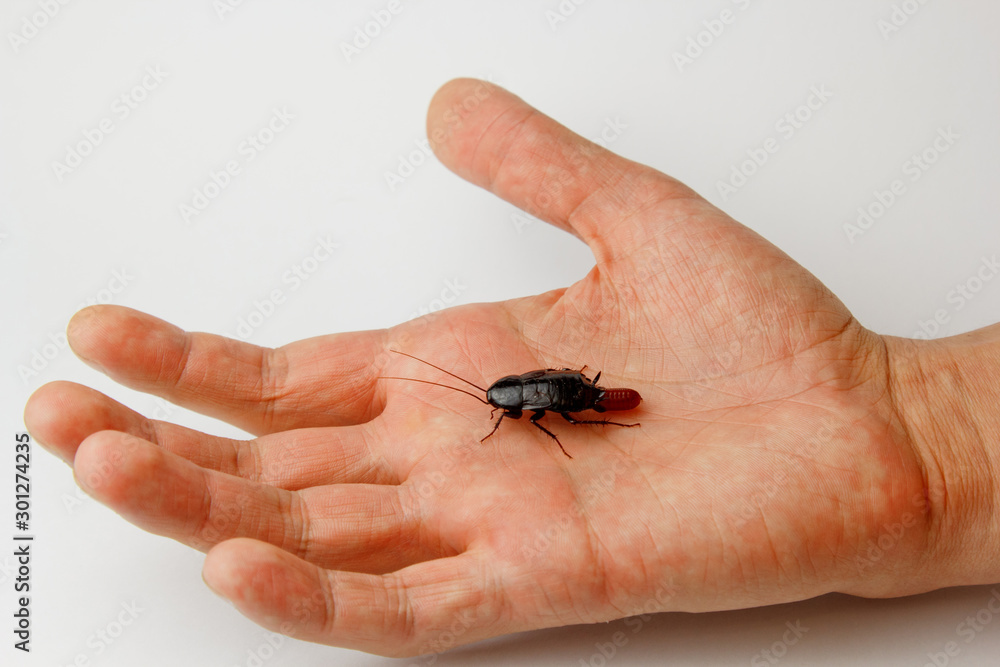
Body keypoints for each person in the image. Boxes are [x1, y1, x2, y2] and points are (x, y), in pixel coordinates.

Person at [23, 78, 1000, 657]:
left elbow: (540, 406)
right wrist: (921, 432)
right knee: (583, 405)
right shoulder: (519, 405)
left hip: (584, 394)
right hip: (572, 392)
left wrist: (928, 435)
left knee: (592, 406)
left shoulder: (535, 408)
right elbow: (525, 405)